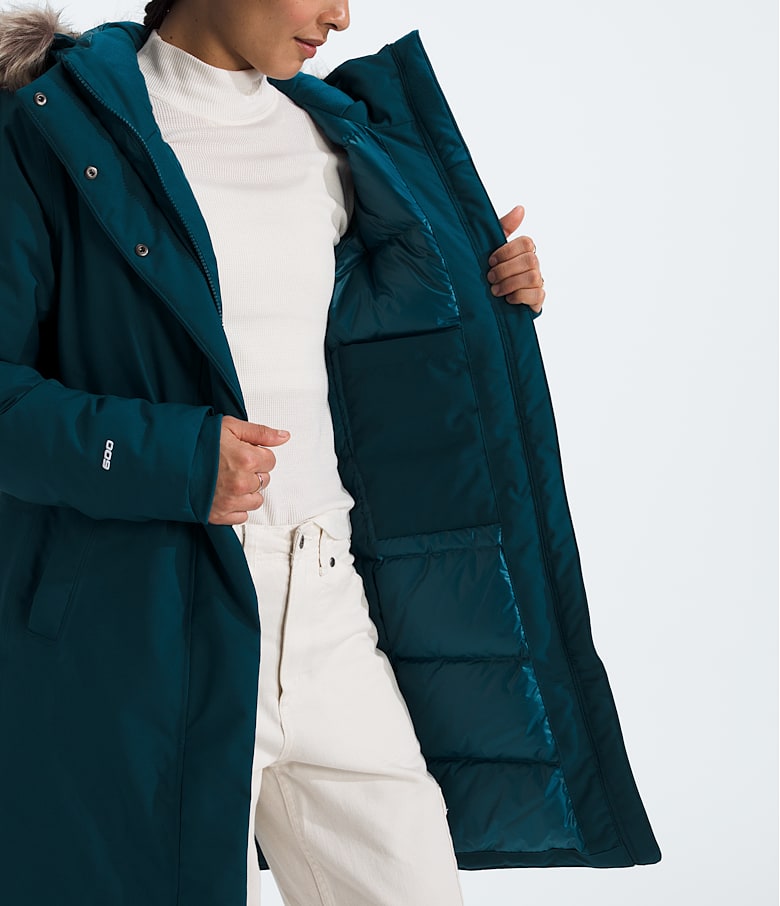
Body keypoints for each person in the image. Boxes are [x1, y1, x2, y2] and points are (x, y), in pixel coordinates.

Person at [0, 2, 659, 905]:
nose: (341, 16)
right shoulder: (49, 131)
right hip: (140, 614)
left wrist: (487, 298)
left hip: (327, 600)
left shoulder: (340, 136)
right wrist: (174, 459)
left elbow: (370, 356)